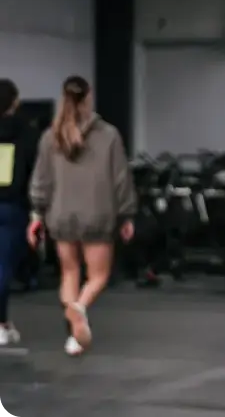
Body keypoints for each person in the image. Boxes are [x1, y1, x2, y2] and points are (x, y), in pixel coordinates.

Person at [27, 75, 136, 356]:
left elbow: (41, 180)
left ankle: (73, 335)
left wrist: (37, 214)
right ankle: (80, 308)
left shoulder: (51, 136)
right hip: (97, 216)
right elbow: (120, 179)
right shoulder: (109, 135)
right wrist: (126, 215)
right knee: (98, 276)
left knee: (69, 272)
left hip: (61, 215)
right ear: (88, 97)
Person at [0, 78, 39, 345]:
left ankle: (3, 322)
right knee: (4, 267)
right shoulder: (28, 133)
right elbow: (35, 174)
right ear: (15, 102)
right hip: (14, 207)